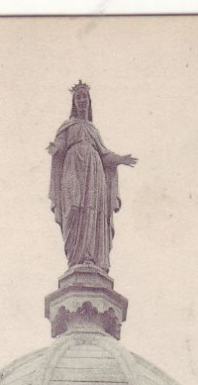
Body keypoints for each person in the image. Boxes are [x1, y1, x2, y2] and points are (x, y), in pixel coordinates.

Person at [48, 81, 137, 273]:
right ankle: (75, 258)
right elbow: (60, 145)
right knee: (72, 208)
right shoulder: (68, 126)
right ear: (74, 101)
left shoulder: (93, 130)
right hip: (73, 167)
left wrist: (120, 159)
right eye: (78, 97)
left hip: (94, 171)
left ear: (89, 101)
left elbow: (105, 155)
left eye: (84, 97)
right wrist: (55, 147)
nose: (81, 100)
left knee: (91, 211)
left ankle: (90, 257)